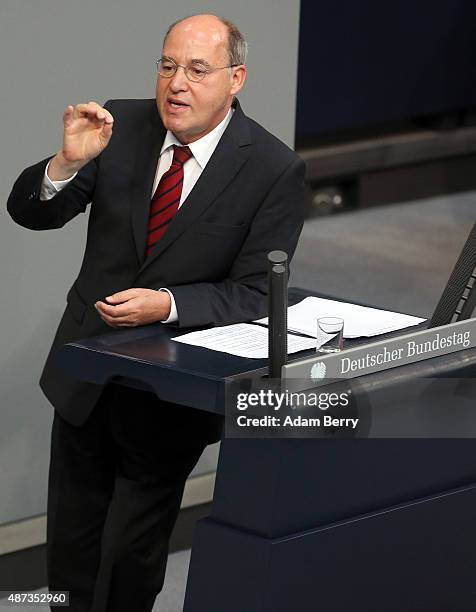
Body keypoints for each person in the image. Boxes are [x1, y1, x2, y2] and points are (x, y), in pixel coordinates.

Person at [7, 13, 305, 612]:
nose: (176, 83)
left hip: (169, 395)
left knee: (129, 563)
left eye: (197, 70)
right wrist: (63, 166)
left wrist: (166, 305)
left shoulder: (273, 169)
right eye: (168, 66)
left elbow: (253, 293)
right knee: (69, 556)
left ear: (235, 78)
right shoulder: (121, 124)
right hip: (86, 375)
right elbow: (31, 214)